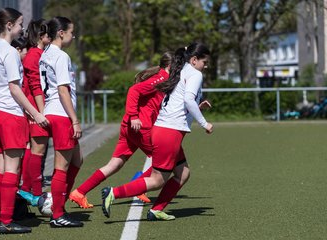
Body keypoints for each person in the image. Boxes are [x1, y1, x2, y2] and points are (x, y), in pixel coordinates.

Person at [101, 42, 213, 221]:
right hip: (169, 132)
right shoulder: (195, 74)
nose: (205, 66)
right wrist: (204, 123)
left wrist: (198, 108)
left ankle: (156, 210)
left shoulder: (181, 70)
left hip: (164, 129)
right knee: (157, 180)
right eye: (204, 62)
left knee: (183, 173)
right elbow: (188, 100)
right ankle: (113, 193)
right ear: (193, 60)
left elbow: (181, 103)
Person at [69, 52, 173, 208]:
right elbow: (134, 91)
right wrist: (134, 116)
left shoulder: (163, 78)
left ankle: (79, 192)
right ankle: (138, 185)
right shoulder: (161, 78)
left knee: (114, 165)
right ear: (171, 65)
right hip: (139, 127)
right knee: (166, 161)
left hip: (129, 127)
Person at [0, 8, 49, 234]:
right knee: (12, 170)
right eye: (20, 24)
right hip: (10, 114)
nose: (22, 28)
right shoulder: (10, 52)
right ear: (9, 26)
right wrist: (36, 114)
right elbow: (15, 88)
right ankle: (6, 220)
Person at [39, 16, 83, 228]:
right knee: (61, 167)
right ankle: (57, 214)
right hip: (61, 113)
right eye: (71, 32)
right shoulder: (60, 55)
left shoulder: (45, 53)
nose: (73, 36)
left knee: (77, 160)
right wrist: (74, 120)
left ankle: (59, 204)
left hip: (52, 111)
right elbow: (63, 90)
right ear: (61, 33)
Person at [17, 19, 50, 206]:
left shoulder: (38, 54)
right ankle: (34, 192)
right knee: (36, 150)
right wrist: (39, 111)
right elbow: (34, 86)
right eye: (47, 33)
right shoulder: (33, 55)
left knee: (34, 149)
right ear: (40, 35)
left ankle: (28, 191)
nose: (50, 36)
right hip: (33, 108)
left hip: (35, 107)